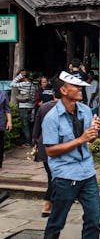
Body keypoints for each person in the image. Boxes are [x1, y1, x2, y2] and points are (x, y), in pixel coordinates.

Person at [42, 71, 100, 239]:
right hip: (65, 175)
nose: (80, 89)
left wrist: (93, 132)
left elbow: (89, 139)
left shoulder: (85, 110)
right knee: (57, 221)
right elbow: (50, 151)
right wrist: (81, 139)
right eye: (76, 86)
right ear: (64, 90)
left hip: (87, 172)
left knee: (93, 219)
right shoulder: (52, 118)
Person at [32, 87, 58, 218]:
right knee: (55, 177)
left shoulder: (43, 107)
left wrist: (35, 141)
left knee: (52, 176)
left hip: (44, 143)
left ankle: (50, 204)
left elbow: (36, 127)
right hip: (57, 145)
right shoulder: (64, 107)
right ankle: (48, 204)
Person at [10, 69, 35, 147]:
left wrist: (20, 76)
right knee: (30, 124)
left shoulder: (24, 84)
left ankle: (28, 143)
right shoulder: (32, 84)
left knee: (25, 125)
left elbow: (12, 84)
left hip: (24, 107)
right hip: (31, 106)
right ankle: (32, 141)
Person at [0, 90, 12, 168]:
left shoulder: (3, 93)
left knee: (0, 144)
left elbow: (7, 109)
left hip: (1, 121)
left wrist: (9, 121)